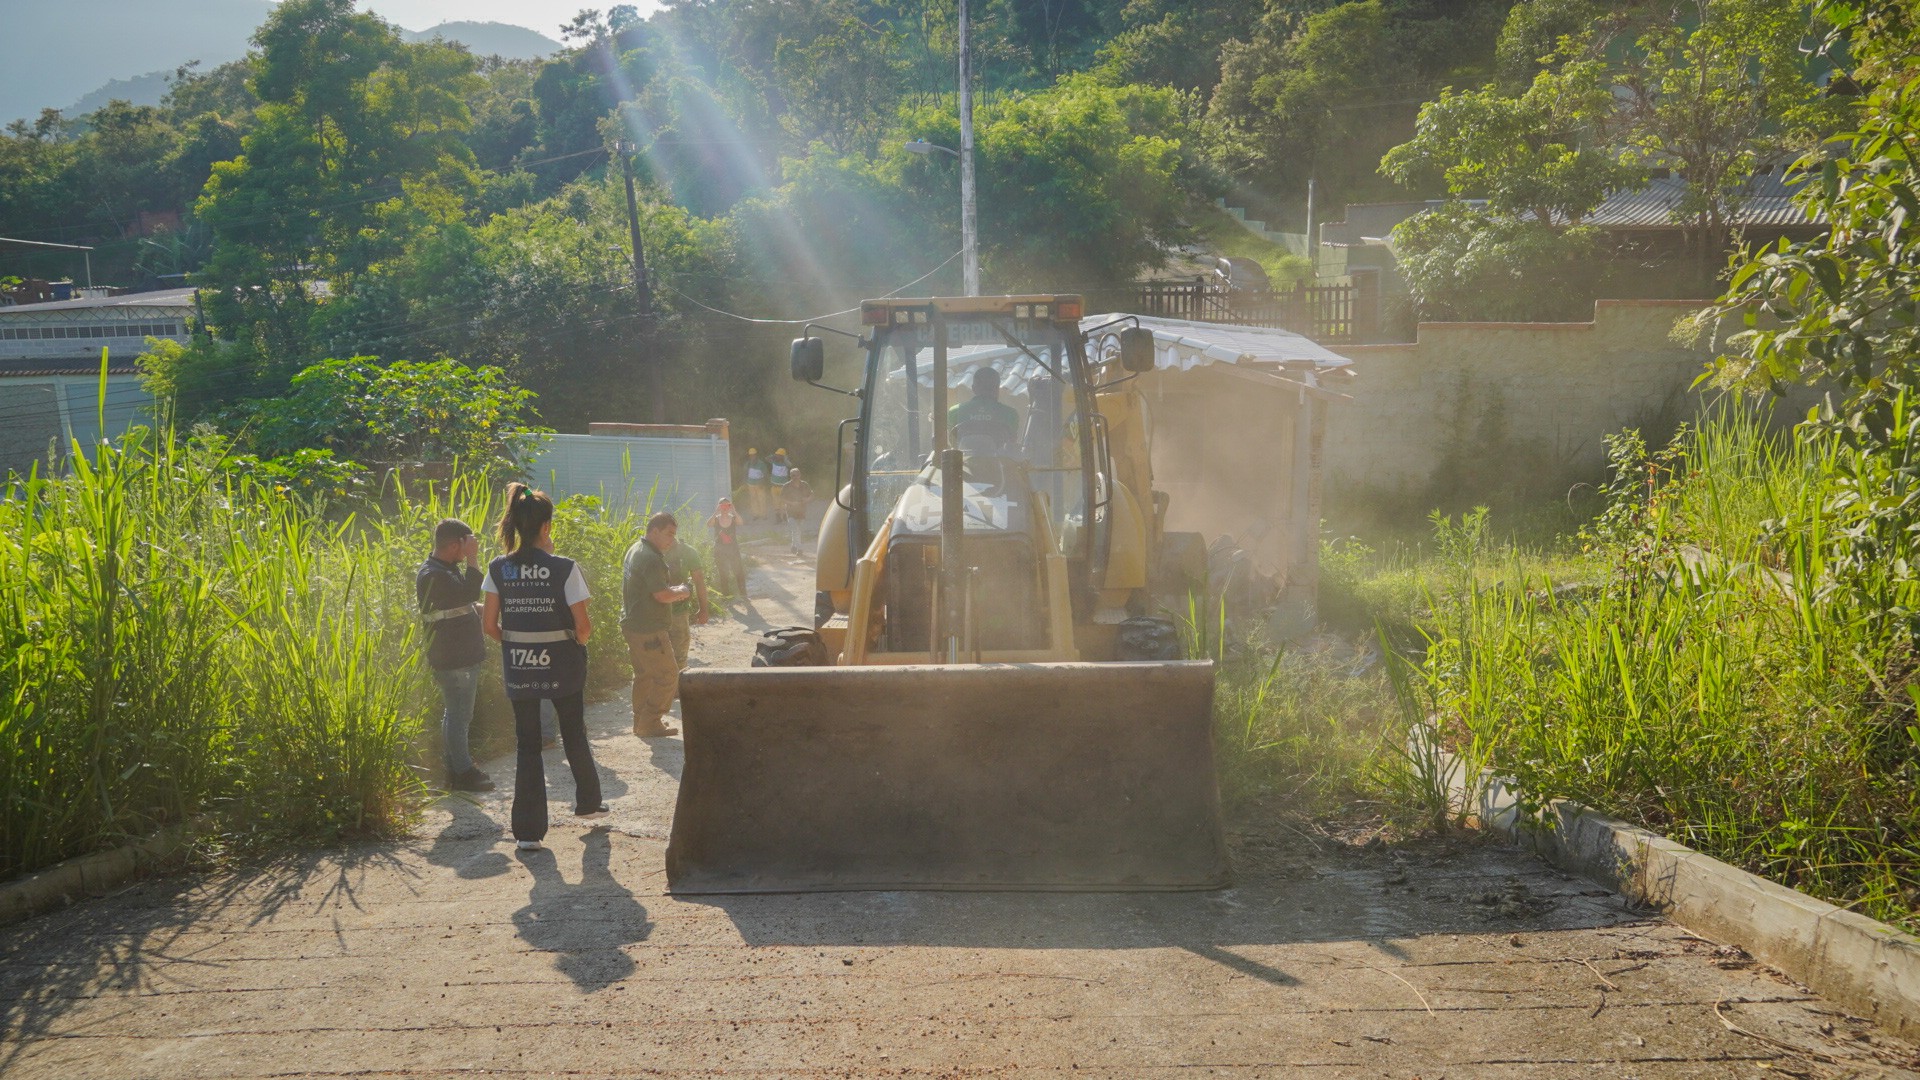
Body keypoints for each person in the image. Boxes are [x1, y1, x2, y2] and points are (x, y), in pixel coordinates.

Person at [481, 483, 607, 853]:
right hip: (564, 663)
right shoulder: (565, 568)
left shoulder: (498, 569)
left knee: (527, 743)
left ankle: (528, 832)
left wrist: (520, 644)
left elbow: (489, 626)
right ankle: (588, 804)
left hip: (520, 665)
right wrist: (573, 644)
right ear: (546, 526)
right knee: (573, 732)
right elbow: (583, 627)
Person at [416, 518, 492, 793]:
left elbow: (464, 602)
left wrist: (492, 612)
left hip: (456, 657)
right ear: (453, 545)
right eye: (466, 546)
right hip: (455, 660)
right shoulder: (435, 575)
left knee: (455, 715)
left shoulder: (443, 570)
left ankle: (455, 769)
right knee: (460, 716)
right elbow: (469, 593)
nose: (468, 551)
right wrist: (473, 559)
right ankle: (463, 774)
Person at [623, 512, 691, 738]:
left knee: (644, 674)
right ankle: (650, 721)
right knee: (669, 675)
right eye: (669, 534)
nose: (672, 539)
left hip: (633, 625)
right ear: (654, 531)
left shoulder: (635, 549)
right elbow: (661, 595)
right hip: (649, 629)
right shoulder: (651, 558)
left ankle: (640, 721)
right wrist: (681, 592)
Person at [948, 366, 1022, 448]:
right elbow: (1012, 443)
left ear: (973, 388)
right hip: (997, 460)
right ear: (997, 389)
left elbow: (951, 442)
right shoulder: (1011, 414)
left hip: (961, 460)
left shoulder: (954, 411)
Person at [664, 534, 709, 670]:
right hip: (658, 613)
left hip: (676, 612)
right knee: (669, 657)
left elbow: (699, 580)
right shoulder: (651, 551)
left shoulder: (688, 552)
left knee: (676, 657)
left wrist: (704, 609)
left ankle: (676, 687)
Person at [706, 497, 746, 597]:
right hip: (720, 550)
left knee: (738, 571)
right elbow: (708, 524)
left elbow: (741, 522)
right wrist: (716, 512)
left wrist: (734, 511)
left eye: (727, 505)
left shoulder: (733, 517)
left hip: (733, 549)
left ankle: (743, 594)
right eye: (722, 505)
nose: (725, 508)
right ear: (719, 506)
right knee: (723, 574)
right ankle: (726, 596)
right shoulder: (716, 519)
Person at [781, 467, 815, 555]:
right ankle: (800, 549)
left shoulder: (805, 485)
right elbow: (782, 499)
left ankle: (793, 545)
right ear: (790, 476)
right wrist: (791, 503)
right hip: (791, 512)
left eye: (796, 475)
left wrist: (806, 500)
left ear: (800, 475)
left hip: (802, 512)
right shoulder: (786, 486)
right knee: (795, 530)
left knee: (798, 530)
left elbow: (812, 495)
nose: (795, 477)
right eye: (793, 475)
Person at [743, 448, 770, 521]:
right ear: (749, 456)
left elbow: (765, 474)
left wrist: (762, 482)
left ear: (756, 455)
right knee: (753, 500)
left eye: (753, 455)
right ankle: (756, 514)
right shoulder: (748, 464)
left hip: (759, 484)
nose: (752, 457)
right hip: (750, 484)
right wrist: (745, 483)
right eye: (751, 455)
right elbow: (745, 473)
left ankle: (764, 515)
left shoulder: (761, 464)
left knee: (762, 499)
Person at [769, 447, 794, 522]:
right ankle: (778, 517)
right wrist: (774, 455)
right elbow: (767, 458)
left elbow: (790, 465)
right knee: (776, 502)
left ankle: (785, 516)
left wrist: (785, 458)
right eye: (777, 455)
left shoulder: (785, 463)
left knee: (784, 502)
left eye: (779, 455)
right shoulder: (774, 461)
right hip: (774, 486)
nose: (778, 456)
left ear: (783, 456)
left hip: (783, 487)